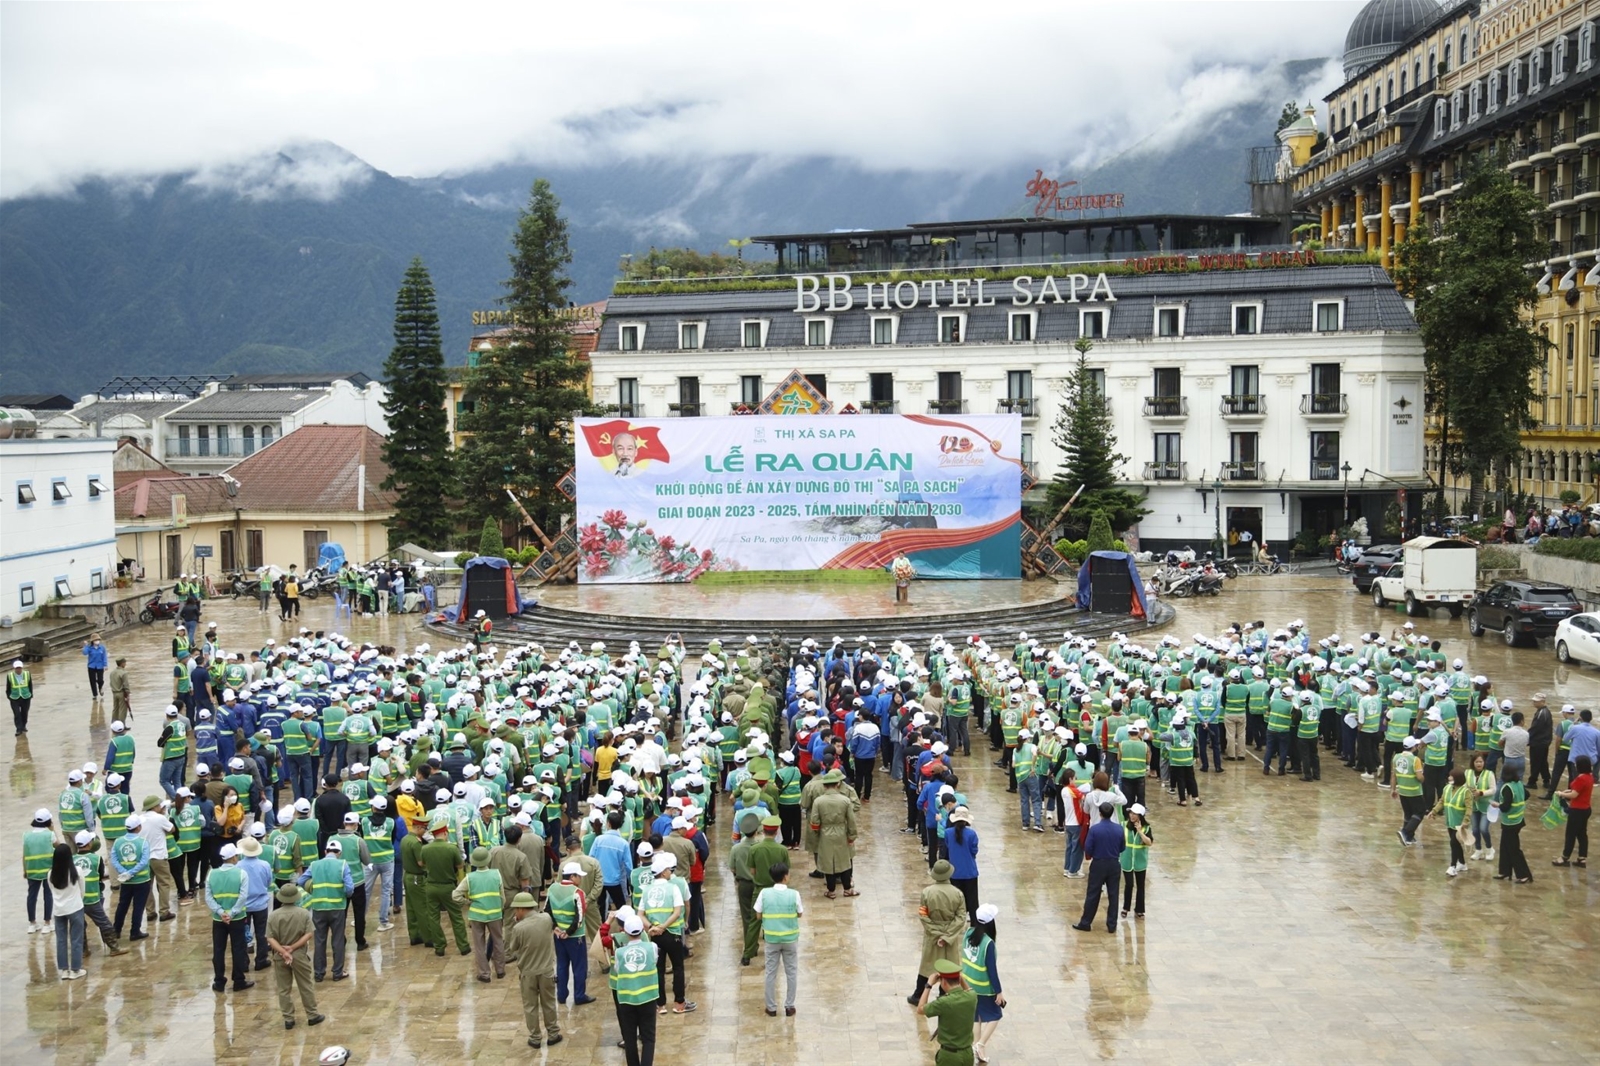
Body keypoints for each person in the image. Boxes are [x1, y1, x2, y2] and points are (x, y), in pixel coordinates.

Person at [505, 890, 561, 1048]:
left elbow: (512, 947)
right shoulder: (546, 919)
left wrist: (516, 923)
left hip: (528, 973)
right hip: (546, 970)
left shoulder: (519, 928)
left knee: (531, 1006)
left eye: (516, 909)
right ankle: (553, 1034)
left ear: (521, 910)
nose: (515, 911)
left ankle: (536, 1038)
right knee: (549, 1003)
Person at [640, 853, 695, 1013]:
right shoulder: (673, 888)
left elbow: (640, 914)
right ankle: (679, 1004)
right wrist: (663, 926)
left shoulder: (647, 890)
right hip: (672, 934)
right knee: (678, 967)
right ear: (663, 872)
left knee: (658, 969)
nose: (670, 871)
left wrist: (652, 927)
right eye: (668, 869)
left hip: (654, 935)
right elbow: (677, 912)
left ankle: (660, 1004)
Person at [265, 883, 325, 1030]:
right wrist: (292, 948)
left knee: (283, 989)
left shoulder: (273, 916)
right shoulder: (303, 913)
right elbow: (309, 934)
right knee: (305, 985)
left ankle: (288, 1019)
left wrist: (283, 952)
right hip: (299, 954)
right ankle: (312, 1015)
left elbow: (270, 938)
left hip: (280, 955)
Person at [910, 859, 968, 1004]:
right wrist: (947, 936)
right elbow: (961, 918)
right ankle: (945, 996)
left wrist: (935, 933)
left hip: (932, 936)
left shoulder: (926, 892)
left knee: (927, 966)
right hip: (950, 936)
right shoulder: (958, 893)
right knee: (949, 966)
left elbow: (923, 915)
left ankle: (918, 995)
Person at [296, 839, 355, 981]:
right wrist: (343, 895)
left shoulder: (315, 865)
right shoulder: (342, 865)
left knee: (320, 940)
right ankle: (337, 972)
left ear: (325, 851)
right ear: (339, 853)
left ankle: (318, 973)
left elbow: (301, 880)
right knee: (338, 940)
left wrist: (312, 890)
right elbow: (350, 889)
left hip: (319, 908)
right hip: (337, 908)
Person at [610, 914, 660, 1066]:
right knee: (648, 1038)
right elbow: (655, 961)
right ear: (642, 930)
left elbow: (618, 970)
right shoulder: (652, 947)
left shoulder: (619, 953)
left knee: (630, 1038)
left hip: (627, 1000)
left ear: (624, 931)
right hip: (648, 998)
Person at [754, 860, 802, 1017]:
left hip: (772, 939)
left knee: (770, 973)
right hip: (790, 939)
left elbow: (758, 914)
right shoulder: (794, 894)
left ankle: (771, 1007)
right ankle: (789, 1006)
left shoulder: (764, 893)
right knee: (791, 972)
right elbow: (800, 913)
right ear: (786, 877)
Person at [453, 846, 506, 982]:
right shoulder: (497, 874)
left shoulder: (469, 878)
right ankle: (500, 970)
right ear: (488, 860)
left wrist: (467, 902)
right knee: (498, 942)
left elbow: (455, 895)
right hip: (495, 914)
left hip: (477, 915)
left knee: (479, 945)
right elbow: (502, 897)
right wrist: (500, 908)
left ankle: (484, 973)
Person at [206, 842, 254, 992]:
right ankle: (239, 980)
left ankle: (219, 981)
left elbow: (208, 897)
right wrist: (232, 913)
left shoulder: (211, 874)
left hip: (218, 919)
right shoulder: (241, 874)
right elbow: (243, 896)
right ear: (233, 857)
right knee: (238, 949)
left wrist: (221, 912)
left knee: (218, 950)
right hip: (237, 918)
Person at [1072, 803, 1124, 933]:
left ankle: (1086, 922)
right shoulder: (1119, 829)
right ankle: (1112, 925)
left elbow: (1088, 847)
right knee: (1113, 894)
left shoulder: (1095, 829)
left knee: (1093, 894)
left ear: (1100, 814)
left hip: (1099, 863)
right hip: (1113, 863)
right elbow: (1122, 847)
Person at [917, 957, 978, 1066]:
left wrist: (928, 985)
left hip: (949, 1057)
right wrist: (959, 977)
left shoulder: (943, 1002)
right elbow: (968, 989)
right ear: (959, 980)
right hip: (968, 1054)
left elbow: (920, 1009)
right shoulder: (972, 997)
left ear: (943, 982)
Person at [547, 860, 593, 1005]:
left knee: (561, 965)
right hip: (575, 937)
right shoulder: (578, 893)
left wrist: (555, 928)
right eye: (579, 876)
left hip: (558, 936)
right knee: (579, 967)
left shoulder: (552, 888)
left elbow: (547, 910)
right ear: (572, 877)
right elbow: (580, 917)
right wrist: (569, 932)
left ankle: (561, 995)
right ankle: (579, 995)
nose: (581, 878)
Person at [963, 904, 1004, 1065]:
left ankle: (977, 1048)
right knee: (996, 1015)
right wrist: (998, 992)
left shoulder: (968, 933)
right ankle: (980, 1044)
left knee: (976, 1018)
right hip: (983, 987)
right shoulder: (988, 944)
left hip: (968, 984)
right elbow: (992, 971)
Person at [420, 825, 470, 957]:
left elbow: (423, 863)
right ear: (445, 833)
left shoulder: (425, 849)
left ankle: (439, 947)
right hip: (448, 887)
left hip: (431, 886)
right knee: (456, 917)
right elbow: (460, 865)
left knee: (433, 918)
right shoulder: (451, 848)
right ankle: (463, 946)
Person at [810, 768, 858, 898]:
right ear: (837, 784)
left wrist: (817, 833)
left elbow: (814, 821)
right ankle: (847, 889)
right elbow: (851, 820)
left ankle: (831, 891)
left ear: (824, 785)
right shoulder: (845, 800)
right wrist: (851, 836)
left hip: (825, 833)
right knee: (845, 861)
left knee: (828, 862)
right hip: (841, 832)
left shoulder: (818, 801)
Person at [110, 812, 152, 942]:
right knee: (138, 906)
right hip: (141, 880)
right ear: (138, 827)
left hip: (126, 881)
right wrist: (132, 872)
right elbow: (144, 861)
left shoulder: (117, 841)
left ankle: (116, 930)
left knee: (122, 905)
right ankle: (135, 932)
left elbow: (114, 859)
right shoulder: (143, 842)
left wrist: (124, 872)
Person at [49, 843, 86, 980]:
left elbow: (52, 890)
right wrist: (79, 900)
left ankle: (64, 970)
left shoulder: (50, 874)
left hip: (59, 909)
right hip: (75, 907)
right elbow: (82, 889)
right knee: (76, 939)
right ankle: (76, 969)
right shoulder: (77, 871)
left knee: (61, 940)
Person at [1490, 765, 1533, 884]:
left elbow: (1505, 807)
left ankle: (1523, 875)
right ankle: (1504, 871)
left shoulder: (1507, 788)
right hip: (1518, 820)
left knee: (1514, 849)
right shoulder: (1519, 784)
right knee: (1504, 846)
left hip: (1510, 822)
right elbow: (1527, 795)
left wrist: (1496, 804)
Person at [1551, 755, 1592, 868]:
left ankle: (1564, 857)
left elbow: (1574, 794)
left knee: (1570, 834)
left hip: (1577, 810)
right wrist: (1567, 791)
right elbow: (1578, 790)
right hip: (1586, 809)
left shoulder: (1580, 779)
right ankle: (1582, 858)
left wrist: (1561, 794)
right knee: (1582, 833)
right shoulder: (1589, 777)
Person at [1430, 768, 1472, 876]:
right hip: (1450, 822)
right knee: (1456, 844)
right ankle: (1462, 863)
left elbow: (1469, 808)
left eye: (1451, 776)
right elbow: (1442, 801)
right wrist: (1434, 811)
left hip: (1460, 824)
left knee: (1453, 843)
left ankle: (1452, 866)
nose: (1449, 778)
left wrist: (1466, 821)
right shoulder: (1447, 788)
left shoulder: (1466, 792)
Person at [943, 806, 980, 923]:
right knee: (973, 902)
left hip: (955, 872)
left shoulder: (948, 833)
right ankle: (974, 925)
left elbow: (948, 848)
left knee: (956, 901)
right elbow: (974, 850)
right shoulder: (971, 834)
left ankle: (956, 923)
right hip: (970, 872)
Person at [24, 809, 57, 934]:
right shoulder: (49, 835)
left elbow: (24, 854)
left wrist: (25, 870)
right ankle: (47, 923)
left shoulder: (26, 835)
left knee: (31, 896)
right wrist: (53, 830)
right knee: (48, 895)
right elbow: (59, 846)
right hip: (47, 869)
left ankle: (32, 923)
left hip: (31, 870)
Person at [1119, 803, 1153, 919]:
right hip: (1127, 860)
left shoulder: (1146, 828)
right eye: (1131, 813)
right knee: (1129, 884)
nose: (1132, 815)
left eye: (1134, 814)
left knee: (1140, 886)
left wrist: (1140, 832)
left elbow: (1149, 842)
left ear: (1140, 816)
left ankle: (1139, 910)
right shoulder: (1123, 825)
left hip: (1140, 862)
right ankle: (1125, 908)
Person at [9, 659, 34, 735]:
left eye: (19, 668)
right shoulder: (10, 676)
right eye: (17, 668)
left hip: (25, 697)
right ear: (14, 668)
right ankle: (18, 729)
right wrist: (9, 696)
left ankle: (23, 726)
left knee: (24, 713)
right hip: (14, 698)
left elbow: (30, 685)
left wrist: (30, 694)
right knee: (17, 714)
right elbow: (8, 687)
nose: (18, 670)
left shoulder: (27, 674)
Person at [82, 634, 108, 699]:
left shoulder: (102, 648)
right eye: (96, 640)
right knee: (92, 681)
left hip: (100, 666)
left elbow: (104, 657)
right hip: (91, 666)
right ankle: (95, 694)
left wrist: (105, 665)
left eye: (98, 640)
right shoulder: (89, 648)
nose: (97, 641)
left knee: (100, 680)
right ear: (92, 641)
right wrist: (85, 646)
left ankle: (100, 688)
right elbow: (85, 653)